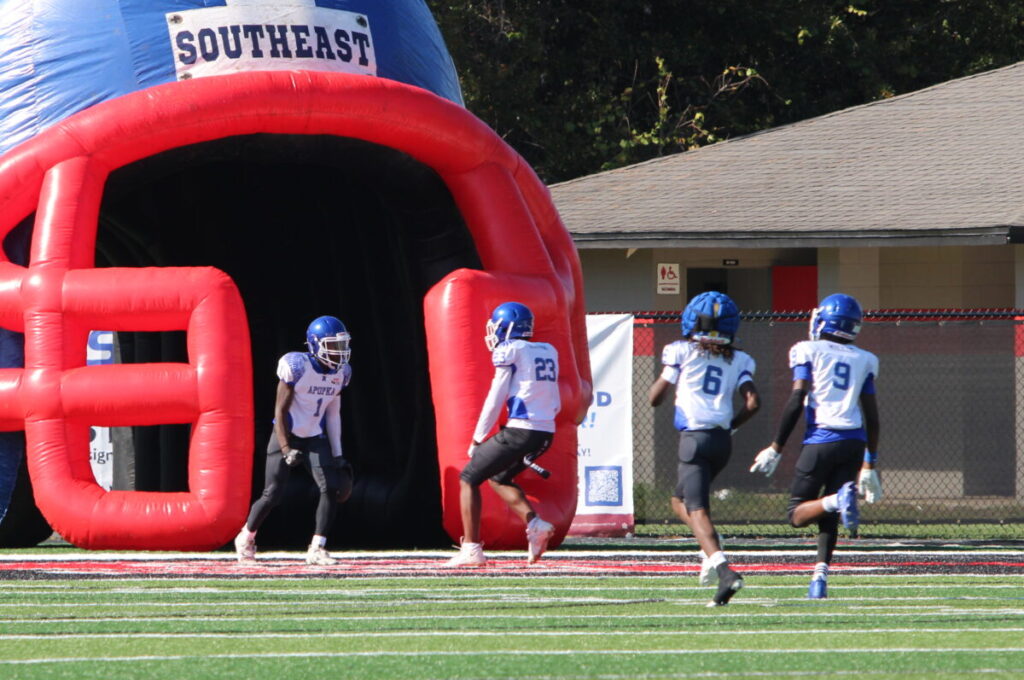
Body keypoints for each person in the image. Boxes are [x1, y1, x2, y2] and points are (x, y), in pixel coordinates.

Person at [750, 293, 883, 599]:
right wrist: (870, 464)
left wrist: (776, 447)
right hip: (854, 440)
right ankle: (819, 581)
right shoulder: (865, 358)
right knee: (830, 512)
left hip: (821, 438)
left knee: (796, 514)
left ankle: (837, 502)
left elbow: (797, 398)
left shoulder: (806, 350)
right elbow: (873, 418)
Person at [649, 291, 760, 607]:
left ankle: (724, 570)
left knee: (697, 509)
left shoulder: (681, 351)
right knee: (677, 500)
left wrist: (665, 380)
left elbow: (654, 398)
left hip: (693, 440)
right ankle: (708, 543)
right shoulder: (740, 358)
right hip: (721, 441)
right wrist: (731, 426)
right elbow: (753, 402)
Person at [445, 301, 561, 567]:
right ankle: (535, 524)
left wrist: (478, 437)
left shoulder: (510, 350)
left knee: (468, 478)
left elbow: (495, 397)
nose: (493, 333)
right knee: (498, 477)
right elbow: (554, 400)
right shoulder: (547, 350)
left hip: (522, 429)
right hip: (545, 432)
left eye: (497, 327)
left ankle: (471, 548)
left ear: (507, 327)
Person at [234, 316, 355, 566]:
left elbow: (333, 414)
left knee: (330, 487)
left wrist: (338, 453)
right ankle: (246, 536)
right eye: (333, 346)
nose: (339, 352)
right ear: (315, 344)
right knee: (273, 493)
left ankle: (317, 547)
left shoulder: (341, 372)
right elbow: (279, 411)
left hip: (314, 436)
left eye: (342, 345)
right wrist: (287, 447)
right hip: (287, 433)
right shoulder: (297, 366)